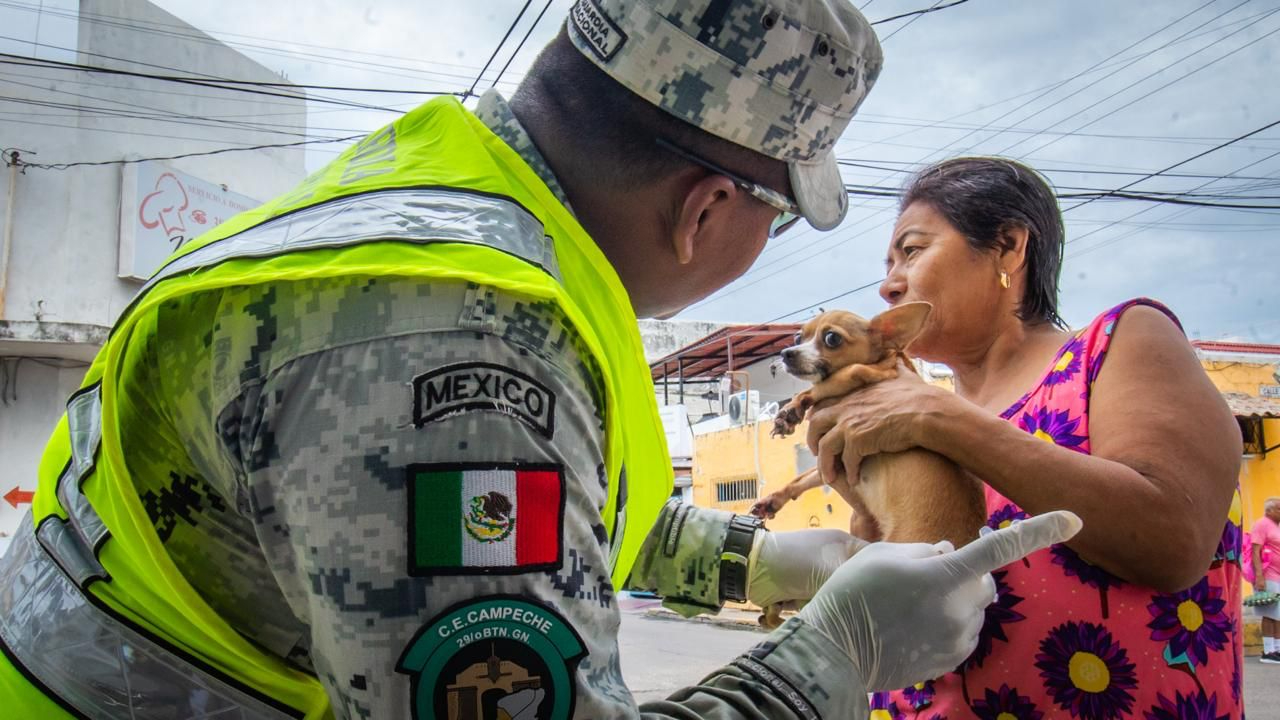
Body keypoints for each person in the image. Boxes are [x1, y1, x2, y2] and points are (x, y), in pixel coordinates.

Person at [0, 4, 1080, 720]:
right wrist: (837, 658)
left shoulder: (433, 202)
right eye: (779, 217)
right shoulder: (456, 343)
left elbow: (518, 515)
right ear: (704, 209)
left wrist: (764, 563)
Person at [806, 156, 1245, 718]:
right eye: (889, 263)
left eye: (911, 252)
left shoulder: (1119, 342)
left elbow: (1175, 537)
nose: (890, 285)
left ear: (1009, 247)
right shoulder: (919, 409)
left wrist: (938, 419)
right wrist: (859, 501)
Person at [1254, 497, 1280, 664]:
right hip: (1268, 574)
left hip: (1278, 575)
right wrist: (1259, 576)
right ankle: (1268, 651)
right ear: (1269, 511)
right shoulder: (1262, 524)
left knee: (1278, 614)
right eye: (1278, 509)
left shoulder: (1276, 526)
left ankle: (1277, 649)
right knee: (1270, 613)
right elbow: (1255, 551)